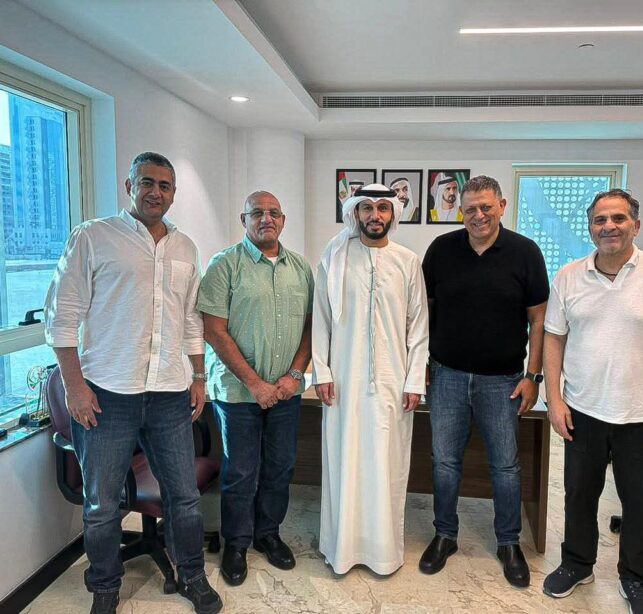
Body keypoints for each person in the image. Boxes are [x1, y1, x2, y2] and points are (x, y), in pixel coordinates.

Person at [44, 152, 222, 614]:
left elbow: (190, 321)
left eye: (164, 185)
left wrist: (198, 375)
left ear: (173, 193)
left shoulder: (185, 248)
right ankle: (105, 587)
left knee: (184, 498)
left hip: (169, 393)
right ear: (129, 186)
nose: (155, 192)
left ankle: (193, 576)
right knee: (102, 504)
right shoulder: (93, 237)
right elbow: (61, 318)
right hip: (106, 394)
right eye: (147, 182)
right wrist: (75, 388)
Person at [542, 189, 643, 614]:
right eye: (600, 220)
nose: (609, 226)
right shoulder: (569, 276)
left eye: (618, 218)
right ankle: (577, 564)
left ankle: (635, 579)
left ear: (636, 225)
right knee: (579, 495)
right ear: (590, 228)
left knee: (640, 503)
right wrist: (554, 399)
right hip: (583, 410)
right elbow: (553, 339)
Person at [419, 175, 549, 588]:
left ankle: (508, 542)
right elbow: (423, 313)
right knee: (444, 462)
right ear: (461, 211)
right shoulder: (441, 250)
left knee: (506, 466)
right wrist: (419, 364)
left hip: (503, 381)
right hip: (446, 376)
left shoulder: (525, 253)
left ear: (502, 206)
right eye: (471, 209)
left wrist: (533, 376)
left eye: (486, 207)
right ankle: (445, 535)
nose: (478, 215)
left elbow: (539, 320)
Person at [312, 183, 429, 575]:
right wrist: (322, 371)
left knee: (386, 463)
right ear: (355, 213)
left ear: (393, 213)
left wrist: (414, 380)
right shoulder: (334, 257)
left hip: (393, 382)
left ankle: (383, 553)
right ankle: (342, 548)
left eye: (382, 207)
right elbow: (321, 319)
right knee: (344, 462)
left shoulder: (408, 261)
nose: (374, 215)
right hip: (342, 383)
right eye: (366, 208)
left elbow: (419, 327)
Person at [197, 191, 313, 584]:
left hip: (285, 393)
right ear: (243, 219)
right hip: (238, 393)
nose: (266, 219)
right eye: (257, 213)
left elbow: (311, 327)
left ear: (283, 220)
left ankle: (268, 534)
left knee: (280, 468)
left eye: (273, 213)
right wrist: (255, 384)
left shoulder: (301, 268)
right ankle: (236, 543)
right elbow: (214, 331)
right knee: (241, 472)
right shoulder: (224, 265)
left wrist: (293, 375)